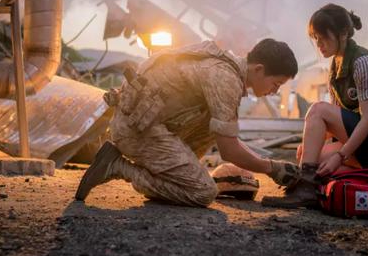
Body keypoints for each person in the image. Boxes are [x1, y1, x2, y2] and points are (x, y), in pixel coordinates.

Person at [75, 38, 301, 207]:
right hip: (136, 130)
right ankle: (116, 166)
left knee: (219, 124)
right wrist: (272, 168)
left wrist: (268, 164)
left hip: (146, 124)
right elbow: (229, 150)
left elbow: (227, 138)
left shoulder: (225, 68)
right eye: (276, 84)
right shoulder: (225, 78)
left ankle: (169, 171)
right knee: (202, 192)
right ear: (259, 69)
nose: (274, 92)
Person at [262, 3, 368, 208]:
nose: (319, 44)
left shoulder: (364, 63)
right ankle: (315, 187)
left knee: (317, 110)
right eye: (315, 38)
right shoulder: (336, 67)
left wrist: (340, 156)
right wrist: (312, 147)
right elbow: (336, 122)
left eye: (323, 37)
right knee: (308, 155)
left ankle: (306, 188)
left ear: (343, 33)